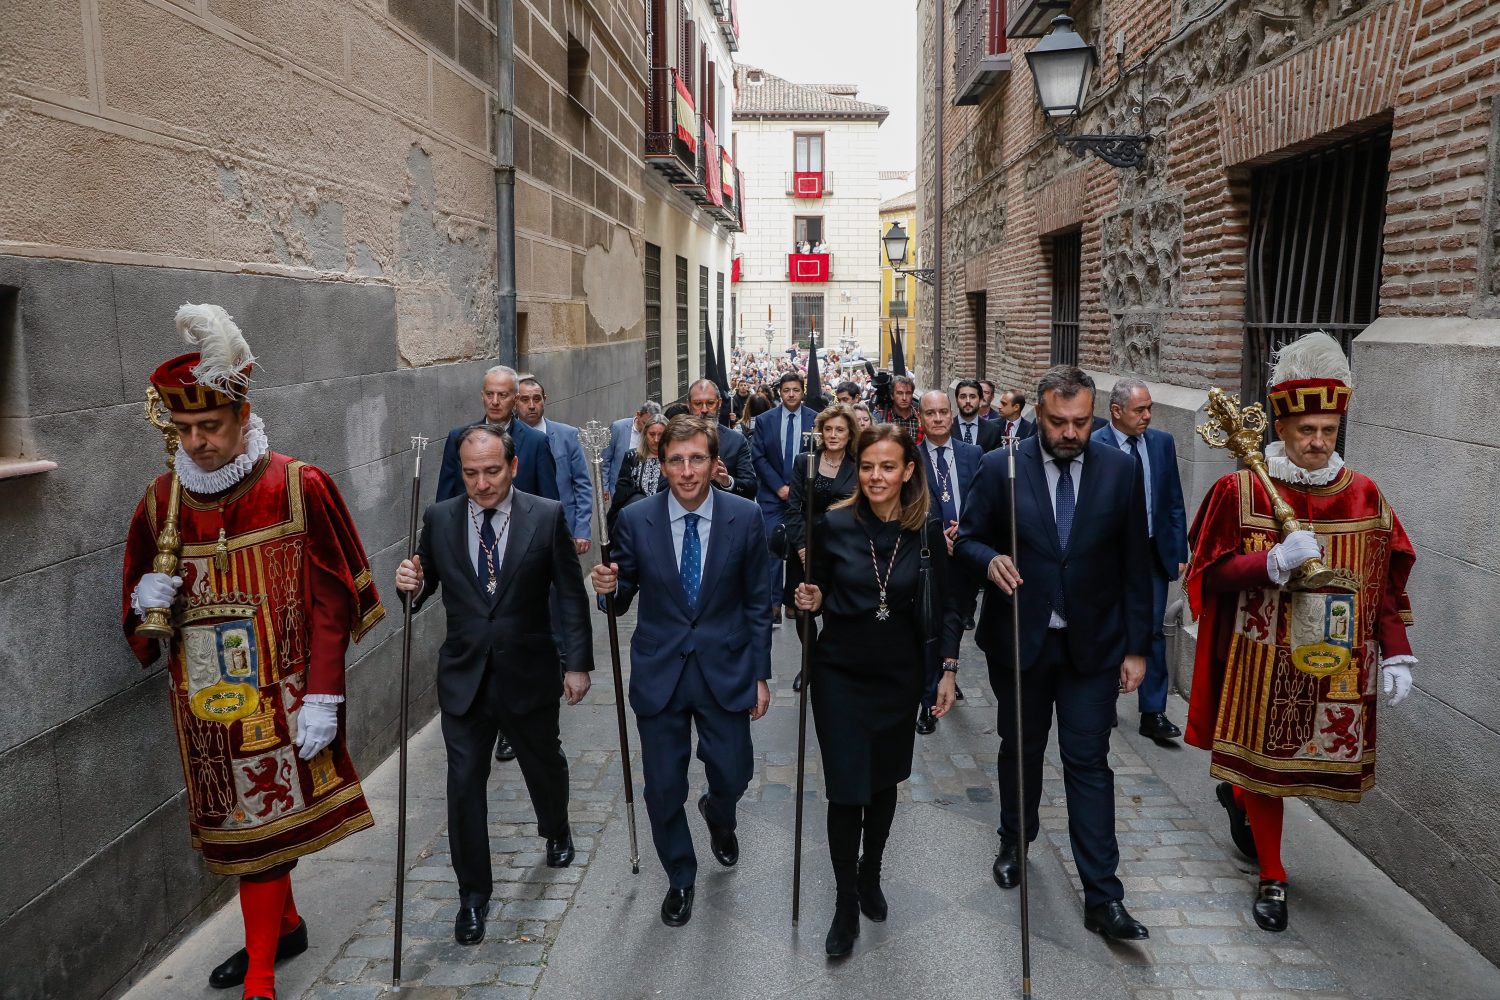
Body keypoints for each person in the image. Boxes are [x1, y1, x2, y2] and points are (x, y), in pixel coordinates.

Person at [122, 304, 385, 1000]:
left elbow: (335, 599)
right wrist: (146, 598)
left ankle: (262, 977)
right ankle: (285, 927)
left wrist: (325, 694)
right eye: (185, 430)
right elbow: (139, 620)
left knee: (262, 836)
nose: (198, 442)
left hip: (286, 700)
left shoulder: (298, 486)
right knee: (244, 833)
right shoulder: (160, 501)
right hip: (205, 707)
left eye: (211, 426)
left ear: (243, 416)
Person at [1184, 332, 1416, 934]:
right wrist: (1271, 562)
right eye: (1306, 430)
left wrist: (1397, 652)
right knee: (1265, 768)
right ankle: (1273, 874)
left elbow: (1382, 584)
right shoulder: (1241, 489)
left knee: (1300, 768)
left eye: (1328, 431)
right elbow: (1208, 574)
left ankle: (1237, 798)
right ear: (1281, 428)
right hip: (1260, 661)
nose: (1317, 442)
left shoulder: (1364, 494)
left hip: (1336, 663)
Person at [956, 366, 1154, 942]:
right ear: (1037, 414)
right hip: (1022, 640)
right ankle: (1014, 840)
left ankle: (1103, 895)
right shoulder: (1000, 467)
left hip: (1093, 645)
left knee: (1088, 761)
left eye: (1081, 422)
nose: (1071, 433)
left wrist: (1137, 648)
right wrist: (988, 559)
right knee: (1021, 749)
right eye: (1059, 421)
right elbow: (966, 539)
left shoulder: (1120, 469)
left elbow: (1136, 564)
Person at [393, 426, 592, 946]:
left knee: (543, 764)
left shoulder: (545, 515)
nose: (481, 484)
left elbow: (570, 595)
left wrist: (576, 664)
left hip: (529, 671)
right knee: (463, 786)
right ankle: (472, 897)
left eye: (491, 471)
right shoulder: (439, 518)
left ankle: (556, 827)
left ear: (513, 467)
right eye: (470, 473)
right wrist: (410, 584)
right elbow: (422, 586)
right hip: (465, 678)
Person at [590, 416, 774, 928]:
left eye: (697, 459)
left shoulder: (745, 516)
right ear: (662, 463)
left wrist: (760, 674)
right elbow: (621, 595)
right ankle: (680, 875)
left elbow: (758, 602)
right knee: (663, 787)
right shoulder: (635, 519)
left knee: (735, 772)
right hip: (661, 671)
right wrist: (608, 589)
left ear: (714, 463)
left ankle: (718, 811)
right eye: (676, 460)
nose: (687, 471)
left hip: (726, 667)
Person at [792, 424, 963, 957]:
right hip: (840, 673)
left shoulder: (925, 530)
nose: (876, 476)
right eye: (867, 467)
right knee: (847, 789)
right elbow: (812, 593)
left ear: (908, 471)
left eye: (888, 467)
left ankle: (871, 872)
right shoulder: (834, 523)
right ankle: (845, 901)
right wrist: (809, 599)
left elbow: (950, 604)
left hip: (899, 675)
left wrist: (947, 670)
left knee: (884, 783)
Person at [1092, 378, 1188, 743]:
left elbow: (1173, 500)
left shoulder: (1162, 443)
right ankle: (1104, 701)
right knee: (1106, 626)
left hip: (1150, 552)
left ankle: (1153, 712)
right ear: (1116, 411)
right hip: (1106, 555)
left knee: (1152, 629)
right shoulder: (1094, 444)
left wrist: (1179, 551)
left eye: (1150, 408)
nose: (1147, 415)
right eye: (1140, 409)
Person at [915, 389, 982, 731]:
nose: (938, 418)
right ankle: (929, 700)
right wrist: (934, 535)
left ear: (951, 415)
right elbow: (907, 508)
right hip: (928, 558)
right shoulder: (912, 458)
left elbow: (982, 501)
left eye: (943, 412)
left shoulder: (973, 454)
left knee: (955, 619)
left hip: (964, 554)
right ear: (921, 418)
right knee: (932, 625)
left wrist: (965, 531)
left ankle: (947, 677)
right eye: (931, 413)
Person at [782, 404, 858, 638]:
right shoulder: (805, 461)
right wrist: (802, 548)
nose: (833, 435)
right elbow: (793, 509)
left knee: (835, 607)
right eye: (828, 429)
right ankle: (811, 658)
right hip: (805, 545)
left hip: (841, 548)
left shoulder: (857, 465)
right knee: (803, 610)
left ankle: (828, 656)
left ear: (850, 434)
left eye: (840, 430)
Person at [750, 372, 817, 627]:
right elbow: (758, 456)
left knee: (801, 545)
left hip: (804, 496)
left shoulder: (815, 420)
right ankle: (773, 603)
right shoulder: (765, 420)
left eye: (796, 390)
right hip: (772, 495)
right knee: (773, 544)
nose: (791, 394)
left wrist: (797, 489)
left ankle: (792, 600)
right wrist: (779, 487)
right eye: (787, 390)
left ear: (802, 392)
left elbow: (819, 455)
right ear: (780, 392)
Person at [436, 365, 559, 504]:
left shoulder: (536, 442)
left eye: (502, 395)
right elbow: (444, 501)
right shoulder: (458, 438)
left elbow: (549, 504)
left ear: (516, 399)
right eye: (489, 394)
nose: (494, 402)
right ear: (482, 396)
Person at [517, 375, 593, 555]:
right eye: (525, 400)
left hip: (563, 527)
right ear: (515, 402)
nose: (531, 405)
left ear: (545, 399)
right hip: (520, 530)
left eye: (537, 399)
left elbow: (582, 485)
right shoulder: (505, 439)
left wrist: (582, 529)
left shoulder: (567, 435)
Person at [688, 378, 756, 499]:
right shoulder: (677, 440)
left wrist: (727, 482)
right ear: (689, 405)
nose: (704, 410)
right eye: (698, 404)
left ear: (719, 403)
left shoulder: (736, 441)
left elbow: (751, 487)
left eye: (710, 403)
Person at [607, 413, 669, 532]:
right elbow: (621, 493)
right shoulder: (632, 457)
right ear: (645, 434)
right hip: (635, 523)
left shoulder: (674, 460)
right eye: (652, 434)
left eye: (661, 435)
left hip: (665, 522)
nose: (656, 440)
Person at [602, 401, 664, 507]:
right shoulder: (618, 428)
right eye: (645, 423)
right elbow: (606, 459)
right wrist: (604, 486)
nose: (646, 429)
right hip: (620, 489)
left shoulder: (656, 436)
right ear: (638, 415)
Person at [954, 378, 1005, 452]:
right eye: (963, 397)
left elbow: (996, 458)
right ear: (956, 401)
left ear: (980, 401)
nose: (968, 401)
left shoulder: (993, 431)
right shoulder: (946, 428)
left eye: (972, 397)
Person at [874, 374, 921, 441]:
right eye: (900, 393)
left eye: (908, 393)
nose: (904, 398)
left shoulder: (921, 417)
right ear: (892, 396)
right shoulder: (881, 417)